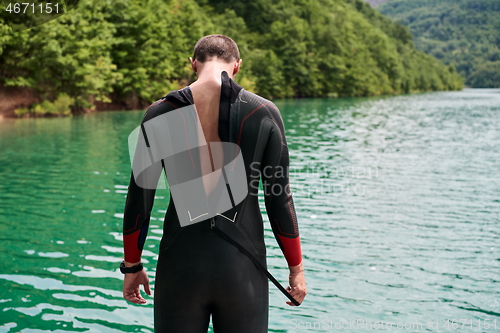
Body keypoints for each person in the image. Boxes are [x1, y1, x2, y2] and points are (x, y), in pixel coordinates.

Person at [121, 34, 307, 332]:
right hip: (242, 268)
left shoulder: (158, 113)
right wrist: (295, 269)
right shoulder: (264, 113)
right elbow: (279, 200)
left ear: (193, 63)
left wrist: (132, 266)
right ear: (237, 66)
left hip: (179, 265)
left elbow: (139, 200)